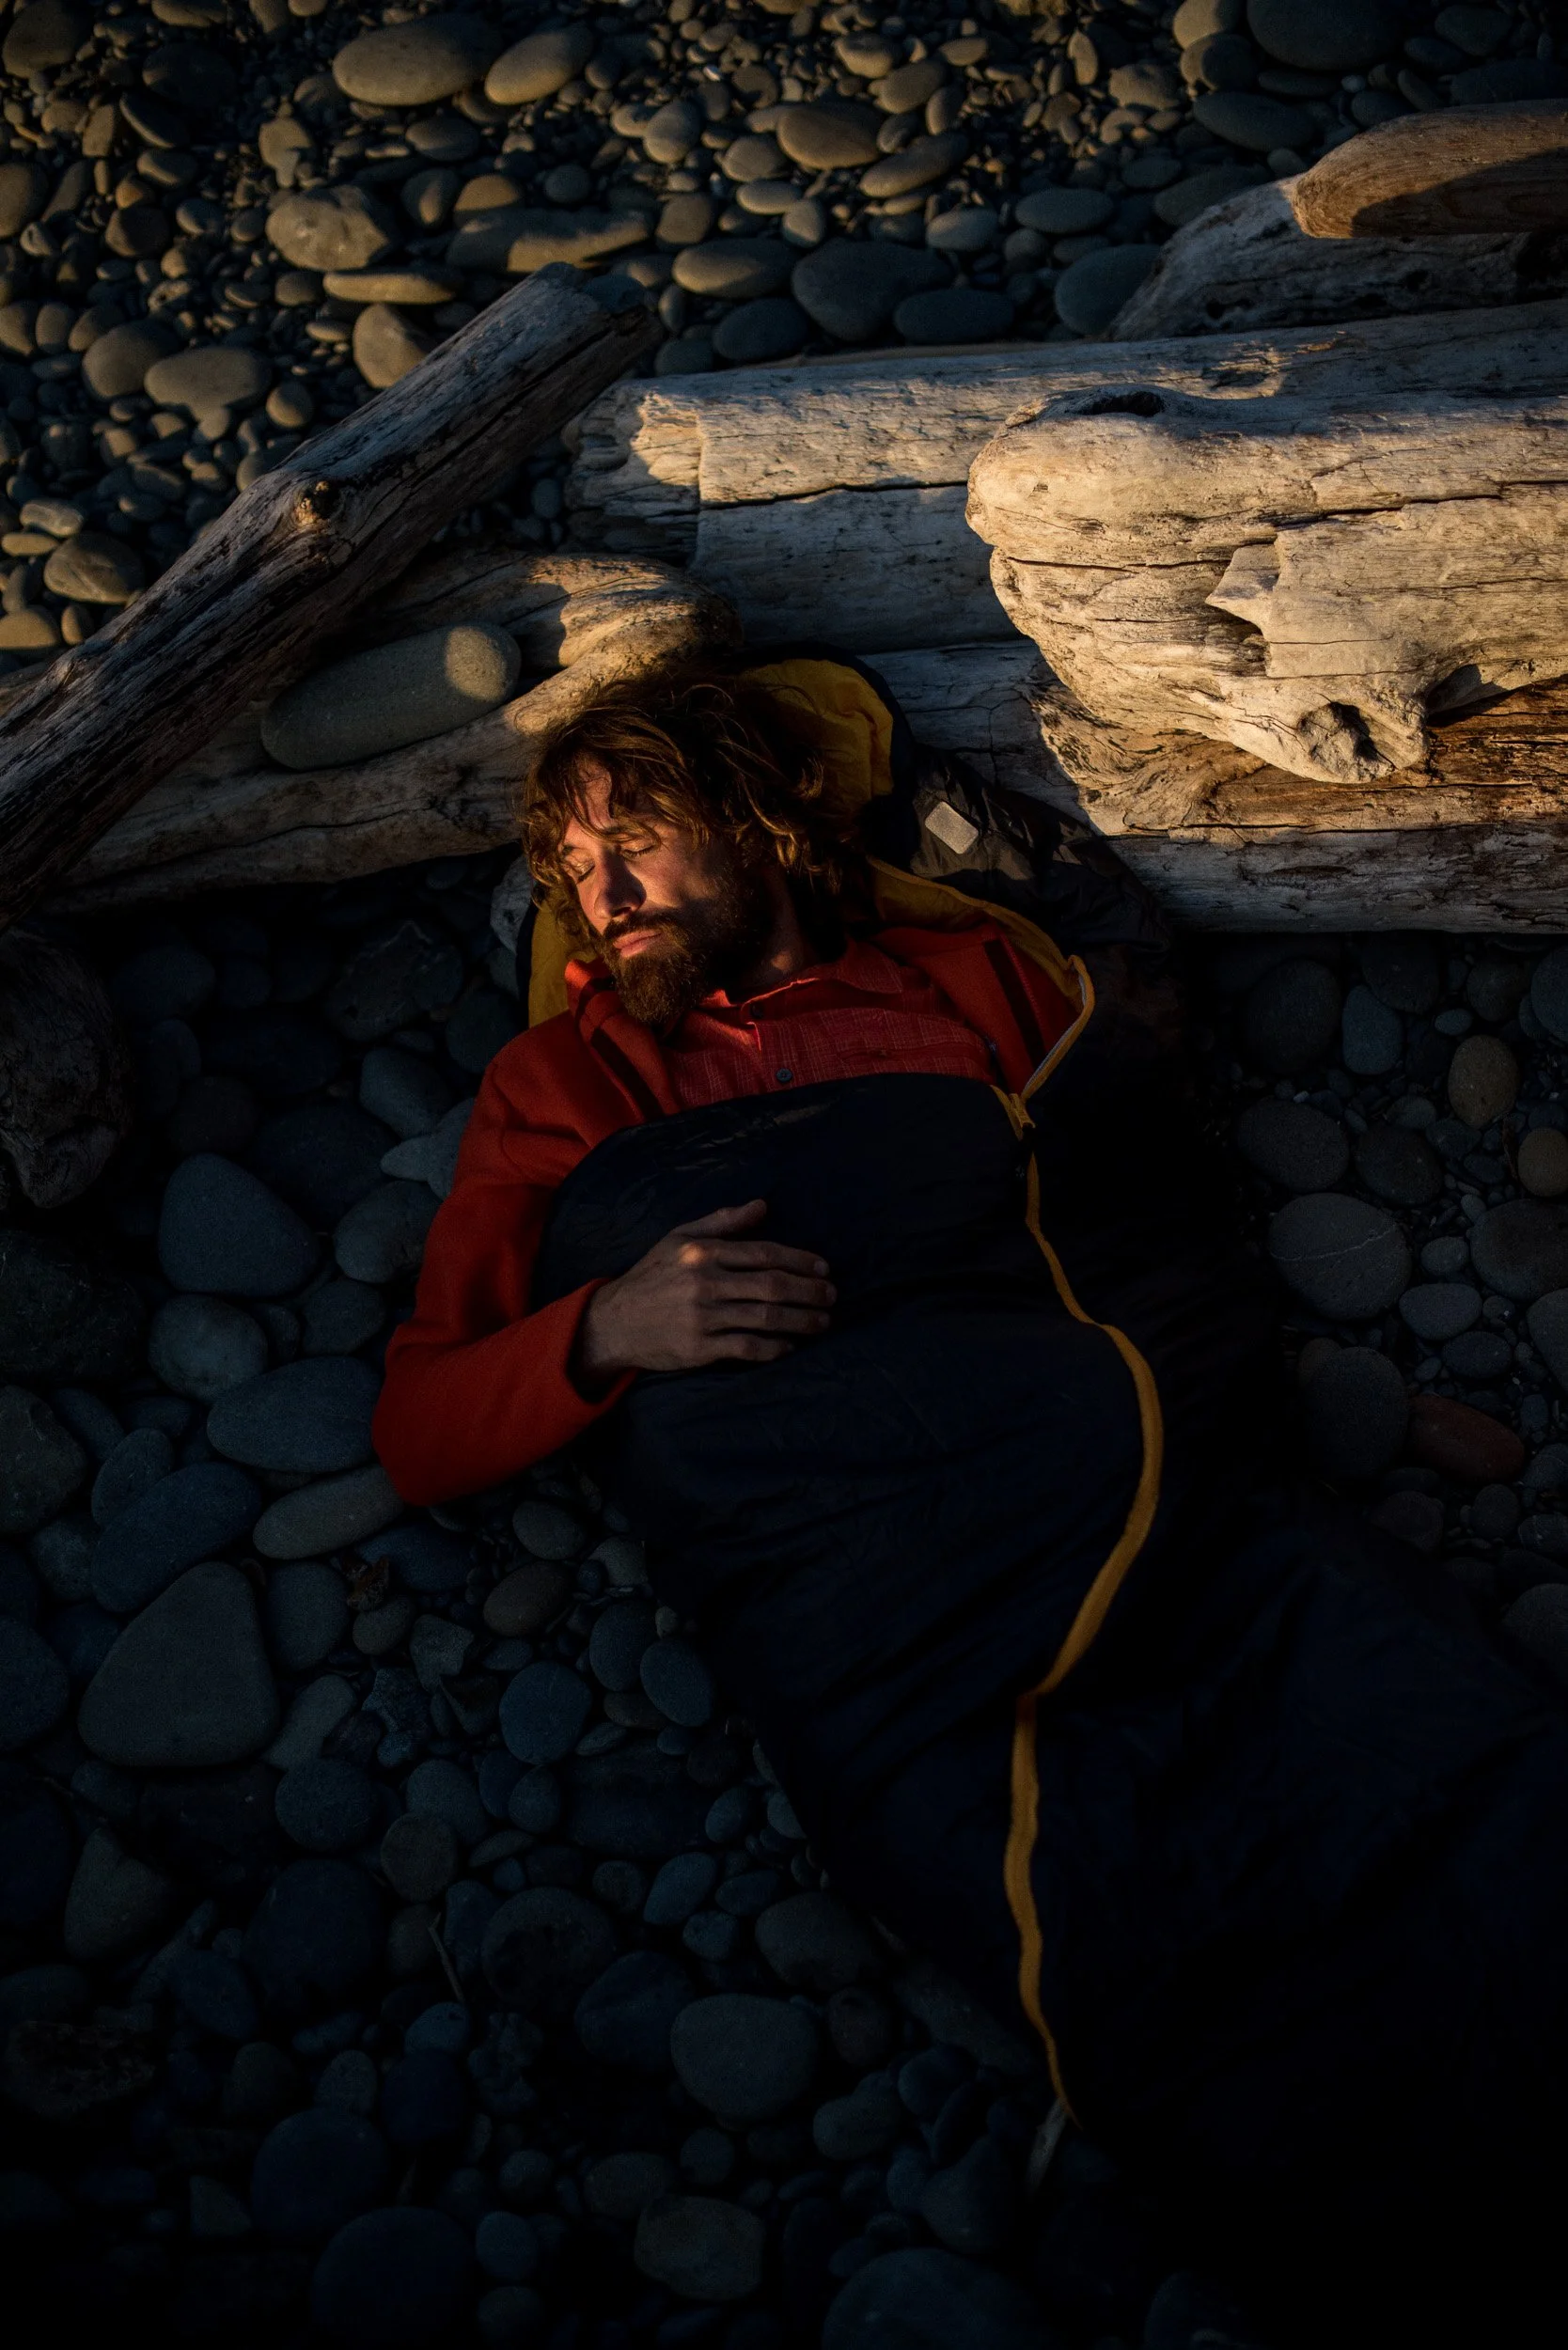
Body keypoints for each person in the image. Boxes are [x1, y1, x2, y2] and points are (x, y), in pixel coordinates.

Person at [375, 661, 1568, 2345]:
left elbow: (1128, 1207)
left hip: (1186, 1531)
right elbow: (421, 1427)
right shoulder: (568, 1090)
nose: (603, 897)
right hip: (901, 1630)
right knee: (1156, 1958)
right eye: (573, 871)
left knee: (1453, 1760)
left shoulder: (983, 977)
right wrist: (603, 1329)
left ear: (761, 824)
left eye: (634, 841)